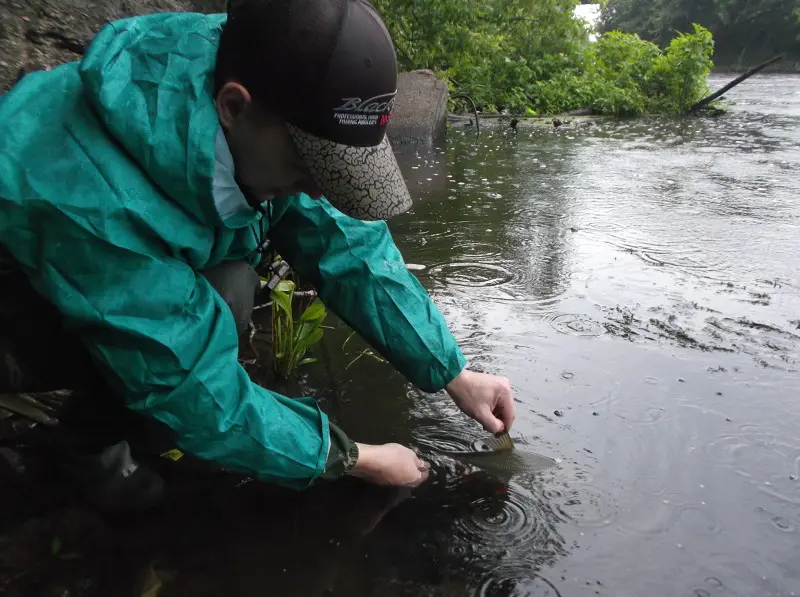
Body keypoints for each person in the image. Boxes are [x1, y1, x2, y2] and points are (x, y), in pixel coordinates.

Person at [0, 0, 515, 508]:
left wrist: (452, 372)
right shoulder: (92, 195)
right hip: (23, 305)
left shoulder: (267, 78)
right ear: (232, 107)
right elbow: (192, 387)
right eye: (307, 167)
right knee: (218, 312)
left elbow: (349, 247)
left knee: (230, 289)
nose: (318, 189)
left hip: (105, 270)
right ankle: (90, 450)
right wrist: (356, 457)